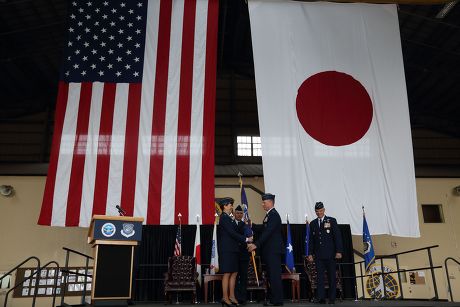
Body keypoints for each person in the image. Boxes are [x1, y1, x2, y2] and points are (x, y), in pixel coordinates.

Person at [247, 193, 284, 306]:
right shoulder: (269, 215)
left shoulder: (274, 215)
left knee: (274, 276)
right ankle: (274, 299)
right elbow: (264, 228)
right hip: (269, 251)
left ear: (271, 202)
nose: (262, 204)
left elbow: (267, 233)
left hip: (273, 251)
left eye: (264, 202)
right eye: (263, 202)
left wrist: (256, 244)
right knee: (271, 276)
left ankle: (277, 300)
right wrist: (252, 225)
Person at [307, 202, 343, 304]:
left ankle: (332, 298)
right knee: (320, 278)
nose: (319, 213)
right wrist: (310, 253)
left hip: (331, 255)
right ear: (315, 211)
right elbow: (311, 241)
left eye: (320, 211)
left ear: (324, 210)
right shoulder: (313, 223)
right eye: (317, 211)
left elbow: (337, 237)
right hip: (318, 256)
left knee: (332, 277)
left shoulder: (331, 220)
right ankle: (321, 298)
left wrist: (339, 251)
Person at [218, 197, 252, 307]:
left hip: (233, 250)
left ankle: (232, 296)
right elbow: (232, 233)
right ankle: (225, 297)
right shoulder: (223, 218)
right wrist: (246, 239)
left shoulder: (230, 218)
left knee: (234, 273)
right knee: (227, 273)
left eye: (232, 205)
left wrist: (247, 226)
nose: (231, 206)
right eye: (230, 205)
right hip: (227, 250)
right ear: (224, 206)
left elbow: (237, 230)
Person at [234, 205, 251, 305]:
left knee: (244, 278)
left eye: (241, 213)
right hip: (235, 255)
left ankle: (243, 298)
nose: (239, 215)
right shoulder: (231, 224)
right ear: (234, 214)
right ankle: (235, 297)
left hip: (244, 255)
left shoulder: (245, 225)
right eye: (237, 213)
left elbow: (249, 236)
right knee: (235, 278)